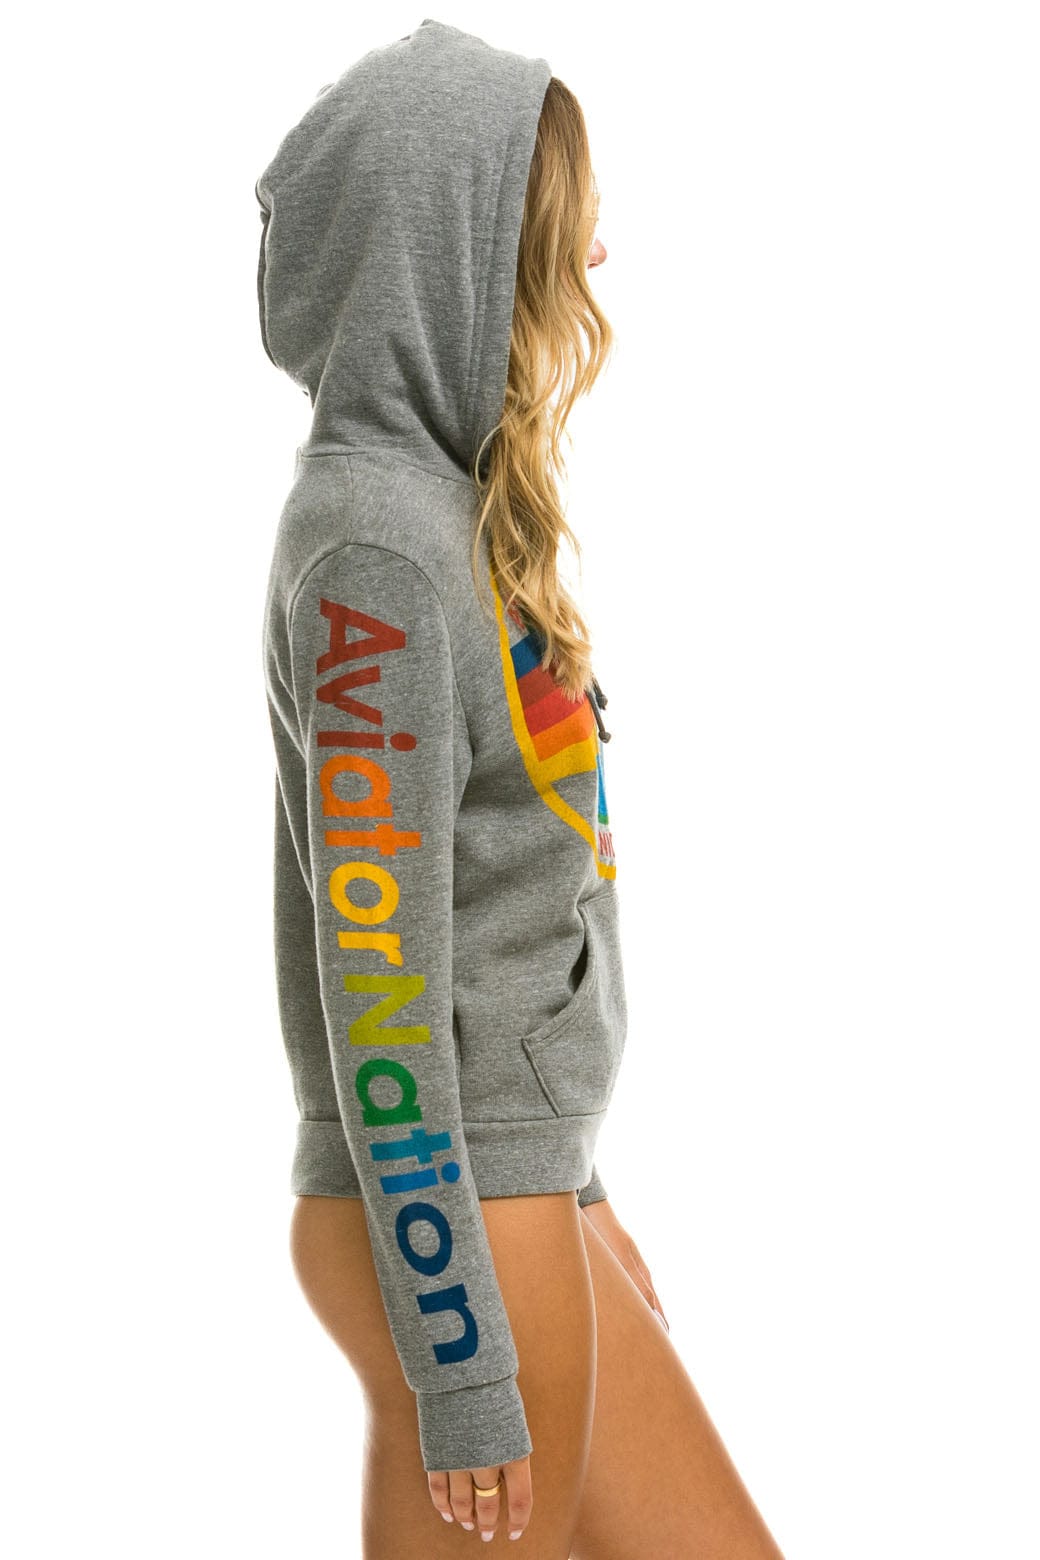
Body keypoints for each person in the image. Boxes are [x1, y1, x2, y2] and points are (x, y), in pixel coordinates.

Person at [255, 18, 785, 1558]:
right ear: (454, 254)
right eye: (563, 221)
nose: (598, 253)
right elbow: (381, 984)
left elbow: (505, 912)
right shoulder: (377, 551)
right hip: (452, 1216)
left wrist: (580, 1184)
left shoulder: (444, 513)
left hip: (516, 1186)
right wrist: (464, 1363)